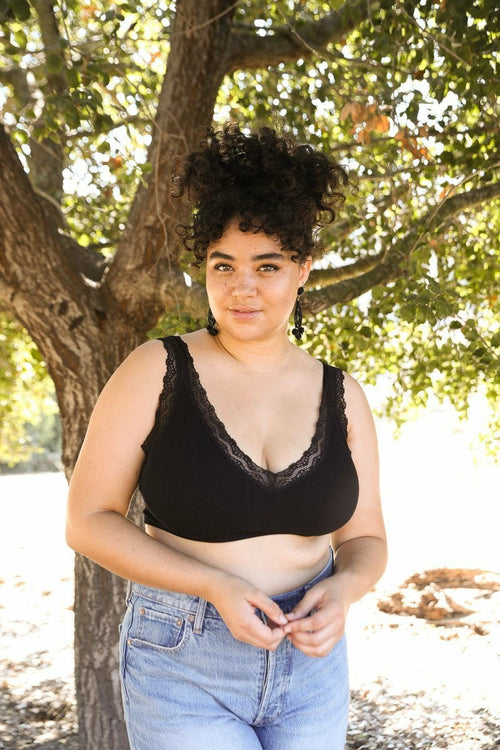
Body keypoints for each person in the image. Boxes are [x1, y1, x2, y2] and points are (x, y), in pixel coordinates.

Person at [66, 123, 387, 750]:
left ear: (303, 270)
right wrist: (213, 585)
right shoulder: (155, 370)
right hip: (182, 660)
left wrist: (344, 589)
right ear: (205, 268)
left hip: (312, 666)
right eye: (224, 265)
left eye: (267, 266)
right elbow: (87, 522)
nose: (243, 287)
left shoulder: (343, 395)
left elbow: (366, 537)